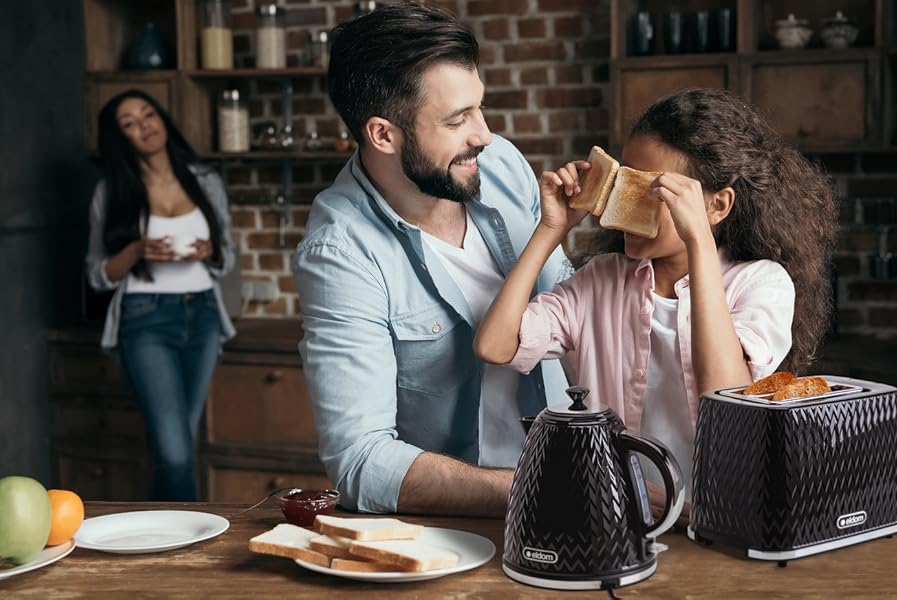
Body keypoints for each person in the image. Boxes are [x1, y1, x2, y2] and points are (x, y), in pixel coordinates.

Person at [474, 87, 838, 520]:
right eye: (625, 185)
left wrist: (698, 242)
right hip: (613, 518)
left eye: (655, 192)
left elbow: (726, 398)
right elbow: (494, 346)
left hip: (723, 518)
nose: (624, 207)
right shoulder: (602, 281)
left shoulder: (760, 282)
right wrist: (551, 228)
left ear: (718, 204)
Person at [292, 3, 572, 517]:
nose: (483, 135)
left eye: (479, 108)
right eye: (457, 119)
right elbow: (360, 460)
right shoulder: (340, 252)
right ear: (383, 134)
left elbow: (570, 314)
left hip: (583, 473)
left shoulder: (502, 165)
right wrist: (540, 491)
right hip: (466, 523)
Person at [85, 89, 236, 501]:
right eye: (129, 124)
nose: (144, 127)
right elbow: (97, 275)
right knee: (174, 453)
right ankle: (187, 545)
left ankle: (163, 538)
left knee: (179, 446)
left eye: (148, 115)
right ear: (120, 139)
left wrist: (211, 252)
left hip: (203, 316)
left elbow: (227, 257)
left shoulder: (205, 180)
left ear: (162, 120)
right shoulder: (111, 193)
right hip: (145, 319)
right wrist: (135, 251)